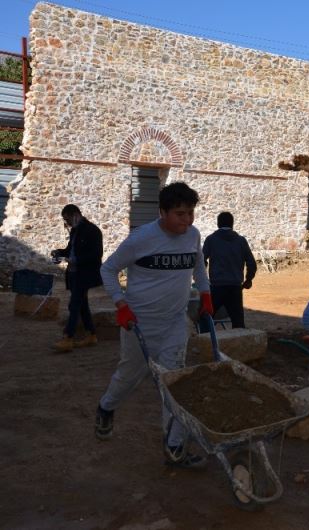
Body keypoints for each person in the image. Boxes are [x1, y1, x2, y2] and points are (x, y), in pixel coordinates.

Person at [94, 182, 213, 468]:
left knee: (174, 383)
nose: (187, 220)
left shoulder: (193, 236)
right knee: (129, 376)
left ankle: (174, 446)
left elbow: (198, 266)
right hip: (139, 324)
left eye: (190, 213)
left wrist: (206, 293)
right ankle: (106, 407)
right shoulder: (140, 239)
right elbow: (108, 269)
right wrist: (120, 304)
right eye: (180, 214)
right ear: (162, 212)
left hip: (175, 322)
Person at [50, 204, 104, 352]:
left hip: (85, 274)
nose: (66, 223)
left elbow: (96, 254)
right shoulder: (75, 231)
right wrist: (59, 252)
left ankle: (68, 338)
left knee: (74, 305)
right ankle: (91, 335)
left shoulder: (93, 231)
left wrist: (76, 260)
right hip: (73, 274)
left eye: (67, 220)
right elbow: (69, 250)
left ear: (75, 215)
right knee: (82, 305)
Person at [202, 211, 257, 328]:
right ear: (232, 224)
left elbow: (201, 261)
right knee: (238, 323)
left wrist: (203, 279)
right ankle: (240, 345)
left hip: (216, 287)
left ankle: (206, 344)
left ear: (218, 224)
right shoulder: (241, 241)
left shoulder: (211, 239)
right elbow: (251, 263)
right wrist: (248, 279)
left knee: (205, 320)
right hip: (235, 287)